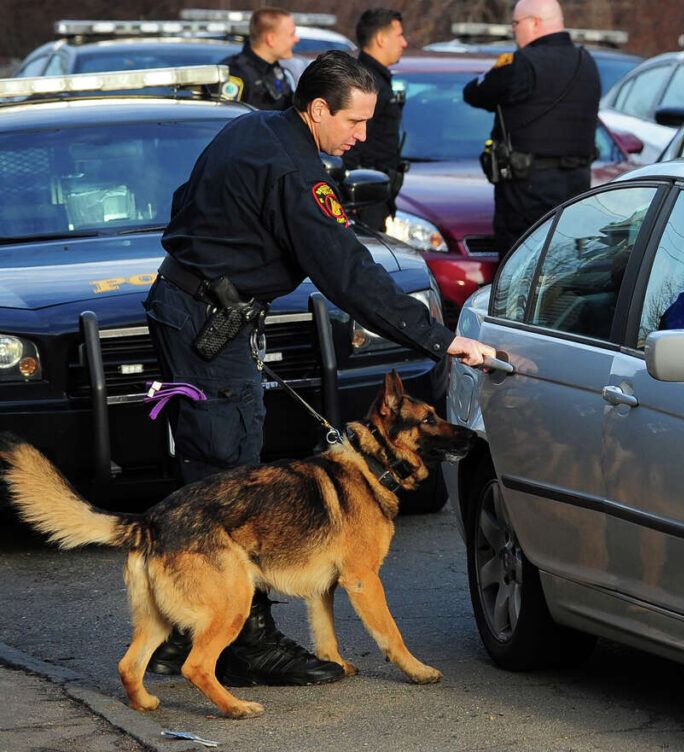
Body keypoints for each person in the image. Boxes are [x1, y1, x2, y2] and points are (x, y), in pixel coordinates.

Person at [143, 50, 495, 687]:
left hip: (193, 310)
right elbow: (349, 274)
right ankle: (247, 645)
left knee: (209, 472)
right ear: (317, 110)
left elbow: (185, 202)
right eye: (355, 122)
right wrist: (441, 341)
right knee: (232, 482)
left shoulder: (251, 128)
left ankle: (183, 633)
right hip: (205, 324)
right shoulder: (294, 168)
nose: (362, 136)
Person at [463, 0, 601, 261]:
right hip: (577, 187)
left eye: (516, 24)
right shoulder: (587, 62)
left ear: (534, 22)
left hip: (525, 192)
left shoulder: (521, 64)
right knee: (565, 267)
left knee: (520, 267)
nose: (513, 31)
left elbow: (474, 92)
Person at [343, 8, 409, 231]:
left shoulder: (375, 78)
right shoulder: (366, 82)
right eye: (399, 35)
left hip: (374, 193)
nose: (404, 43)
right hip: (364, 199)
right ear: (381, 39)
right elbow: (350, 143)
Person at [219, 7, 300, 110]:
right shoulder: (236, 73)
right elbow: (226, 118)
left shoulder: (275, 70)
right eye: (291, 34)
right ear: (271, 39)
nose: (296, 39)